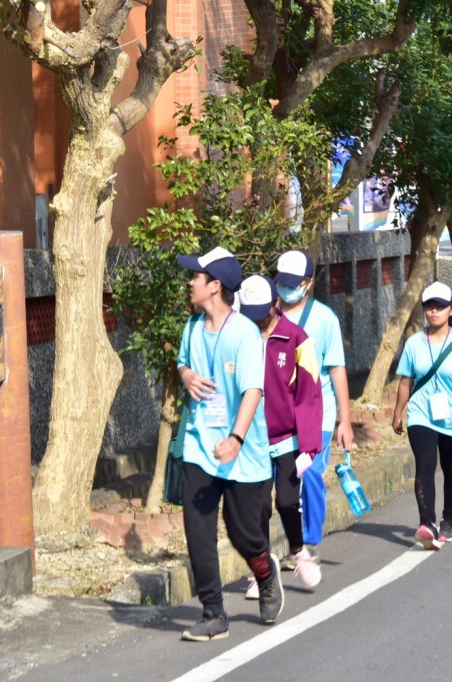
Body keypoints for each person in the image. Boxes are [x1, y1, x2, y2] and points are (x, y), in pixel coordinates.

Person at [175, 247, 284, 642]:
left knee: (243, 534)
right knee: (198, 531)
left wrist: (237, 438)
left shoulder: (244, 334)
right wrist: (186, 374)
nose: (190, 283)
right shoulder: (192, 326)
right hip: (200, 445)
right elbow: (183, 361)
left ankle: (266, 574)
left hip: (242, 450)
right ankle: (213, 614)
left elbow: (253, 391)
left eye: (196, 278)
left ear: (215, 286)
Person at [236, 275, 323, 598]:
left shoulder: (299, 339)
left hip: (288, 438)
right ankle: (260, 572)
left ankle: (299, 551)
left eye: (262, 309)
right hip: (253, 437)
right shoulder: (241, 336)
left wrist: (310, 446)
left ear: (276, 303)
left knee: (287, 501)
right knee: (257, 507)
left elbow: (311, 394)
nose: (256, 317)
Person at [274, 250, 354, 568]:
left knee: (309, 476)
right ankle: (295, 542)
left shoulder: (324, 319)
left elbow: (336, 370)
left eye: (292, 283)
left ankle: (307, 542)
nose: (285, 288)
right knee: (284, 482)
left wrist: (344, 421)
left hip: (316, 415)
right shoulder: (264, 314)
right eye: (281, 282)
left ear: (308, 283)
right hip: (277, 416)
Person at [390, 281, 452, 550]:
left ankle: (448, 520)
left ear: (451, 310)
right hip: (421, 415)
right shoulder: (414, 343)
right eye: (429, 306)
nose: (434, 311)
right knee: (425, 464)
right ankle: (427, 524)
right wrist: (398, 413)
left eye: (440, 306)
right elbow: (405, 382)